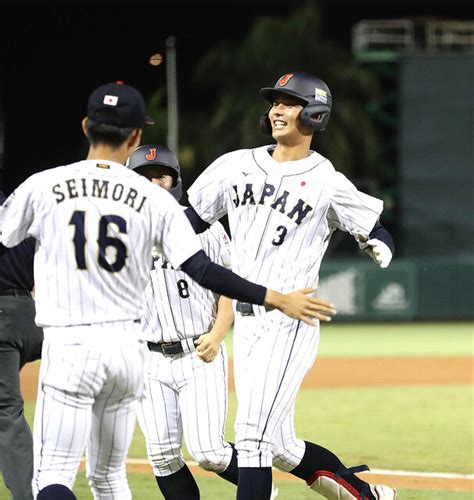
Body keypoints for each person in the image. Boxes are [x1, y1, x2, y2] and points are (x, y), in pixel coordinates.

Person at [0, 80, 336, 500]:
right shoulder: (153, 204)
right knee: (109, 477)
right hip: (127, 355)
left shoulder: (44, 185)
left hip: (71, 346)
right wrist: (273, 296)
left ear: (86, 125)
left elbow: (8, 243)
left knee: (54, 473)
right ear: (136, 135)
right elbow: (203, 269)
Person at [185, 72, 397, 500]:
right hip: (247, 325)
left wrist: (379, 245)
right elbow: (187, 221)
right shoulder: (235, 165)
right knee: (279, 445)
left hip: (290, 320)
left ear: (315, 114)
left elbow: (375, 228)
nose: (277, 109)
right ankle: (364, 495)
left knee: (252, 438)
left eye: (289, 102)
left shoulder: (326, 180)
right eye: (275, 102)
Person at [127, 144, 239, 498]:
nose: (154, 184)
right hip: (148, 359)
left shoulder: (203, 227)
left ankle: (261, 488)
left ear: (174, 181)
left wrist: (218, 335)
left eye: (161, 176)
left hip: (198, 352)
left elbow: (229, 287)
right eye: (144, 178)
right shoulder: (120, 233)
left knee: (210, 452)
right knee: (161, 455)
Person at [0, 190, 43, 500]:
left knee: (7, 408)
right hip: (33, 316)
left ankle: (24, 495)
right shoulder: (19, 211)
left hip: (4, 320)